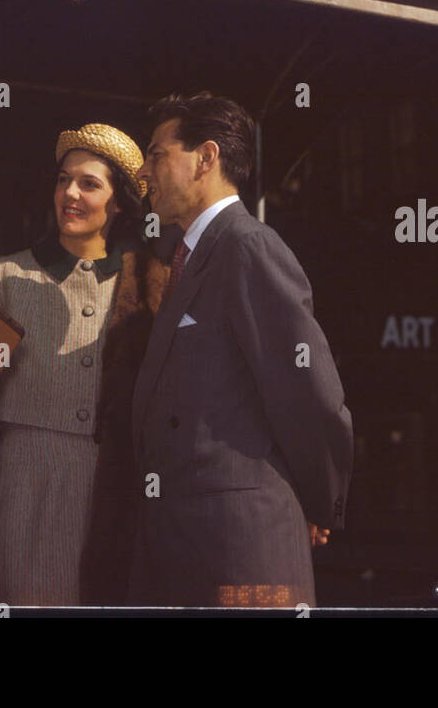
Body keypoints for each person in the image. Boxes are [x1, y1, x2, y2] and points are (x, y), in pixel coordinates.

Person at [129, 93, 354, 609]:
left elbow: (310, 392)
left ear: (206, 158)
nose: (143, 171)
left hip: (239, 551)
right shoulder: (192, 252)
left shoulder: (247, 246)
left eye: (157, 154)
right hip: (188, 550)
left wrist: (321, 500)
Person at [0, 123, 168, 607]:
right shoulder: (3, 275)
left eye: (89, 183)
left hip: (108, 485)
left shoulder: (144, 285)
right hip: (23, 480)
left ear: (119, 201)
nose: (70, 193)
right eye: (64, 180)